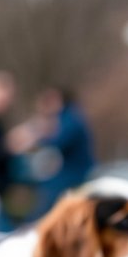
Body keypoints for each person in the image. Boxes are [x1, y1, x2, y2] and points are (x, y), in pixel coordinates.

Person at [16, 86, 97, 218]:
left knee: (48, 195)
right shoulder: (68, 116)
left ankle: (35, 226)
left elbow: (58, 142)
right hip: (72, 170)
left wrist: (34, 138)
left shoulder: (70, 118)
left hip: (76, 173)